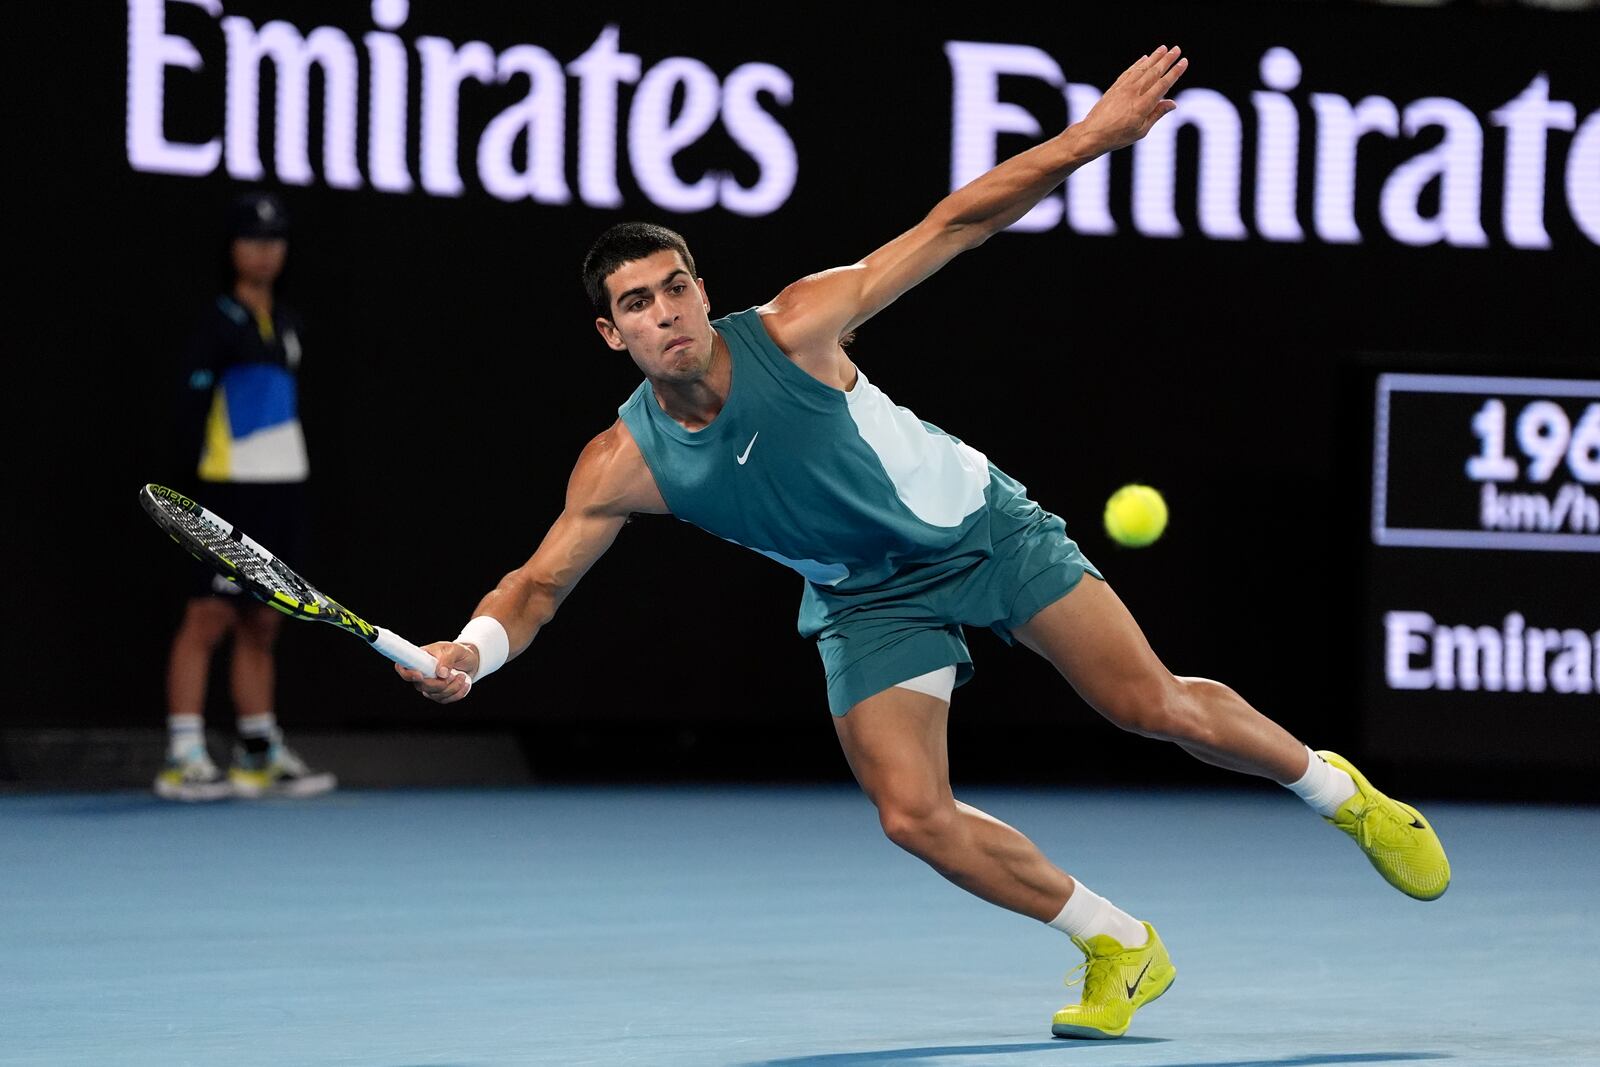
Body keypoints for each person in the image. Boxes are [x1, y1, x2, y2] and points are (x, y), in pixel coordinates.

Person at [398, 47, 1449, 1039]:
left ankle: (1335, 790)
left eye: (677, 285)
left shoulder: (800, 326)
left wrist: (1090, 136)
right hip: (866, 598)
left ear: (702, 289)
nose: (666, 311)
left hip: (978, 530)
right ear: (610, 334)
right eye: (638, 302)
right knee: (911, 812)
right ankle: (1117, 943)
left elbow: (959, 221)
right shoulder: (618, 464)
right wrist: (469, 651)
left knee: (1147, 704)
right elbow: (536, 585)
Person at [155, 190, 337, 802]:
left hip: (284, 488)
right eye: (253, 240)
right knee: (208, 616)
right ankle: (185, 753)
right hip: (228, 486)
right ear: (231, 248)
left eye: (275, 241)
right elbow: (189, 410)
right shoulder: (214, 321)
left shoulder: (287, 321)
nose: (265, 252)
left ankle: (258, 749)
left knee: (265, 619)